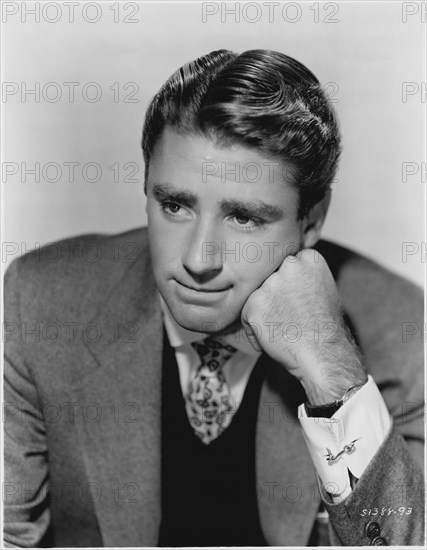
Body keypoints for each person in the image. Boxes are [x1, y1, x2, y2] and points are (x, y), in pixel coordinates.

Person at [3, 49, 424, 547]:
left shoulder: (400, 327)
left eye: (244, 217)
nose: (199, 259)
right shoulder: (41, 301)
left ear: (311, 220)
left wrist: (333, 371)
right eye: (175, 205)